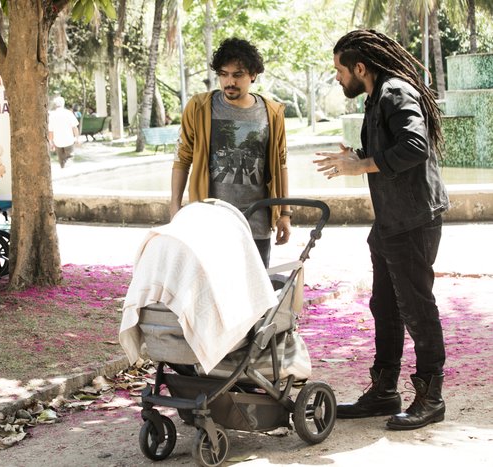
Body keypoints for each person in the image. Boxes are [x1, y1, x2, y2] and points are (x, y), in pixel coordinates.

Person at [314, 29, 450, 430]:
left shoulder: (395, 92)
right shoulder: (375, 97)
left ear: (360, 67)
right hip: (390, 221)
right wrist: (356, 157)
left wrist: (361, 165)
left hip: (414, 221)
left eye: (339, 69)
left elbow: (414, 145)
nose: (337, 77)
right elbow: (390, 150)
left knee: (417, 309)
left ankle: (432, 398)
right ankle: (384, 391)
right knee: (385, 307)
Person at [170, 37, 291, 268]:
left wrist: (285, 214)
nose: (229, 82)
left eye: (238, 75)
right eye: (224, 74)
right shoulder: (199, 107)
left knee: (254, 295)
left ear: (253, 75)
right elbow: (182, 158)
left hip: (257, 220)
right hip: (210, 220)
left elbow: (281, 163)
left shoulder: (272, 112)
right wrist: (175, 207)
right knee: (212, 292)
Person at [48, 96, 80, 168]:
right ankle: (67, 172)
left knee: (61, 160)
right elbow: (75, 127)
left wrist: (51, 143)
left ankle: (63, 169)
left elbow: (50, 131)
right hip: (69, 140)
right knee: (69, 158)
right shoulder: (68, 113)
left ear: (55, 105)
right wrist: (77, 138)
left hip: (57, 142)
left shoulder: (52, 115)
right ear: (63, 104)